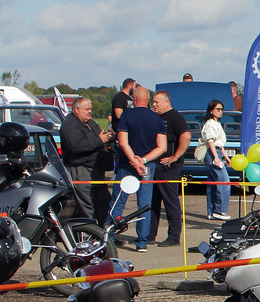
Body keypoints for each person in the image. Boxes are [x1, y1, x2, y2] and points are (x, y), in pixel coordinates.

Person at [112, 87, 168, 251]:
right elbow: (162, 147)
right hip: (147, 166)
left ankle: (108, 236)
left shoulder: (127, 115)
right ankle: (142, 242)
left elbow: (123, 142)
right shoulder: (157, 119)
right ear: (148, 100)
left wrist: (133, 160)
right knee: (144, 204)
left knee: (118, 202)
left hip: (126, 165)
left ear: (134, 99)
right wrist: (142, 160)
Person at [59, 97, 114, 226]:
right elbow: (77, 146)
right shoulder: (69, 125)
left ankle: (107, 232)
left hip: (97, 169)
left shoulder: (90, 123)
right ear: (76, 110)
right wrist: (100, 140)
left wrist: (110, 137)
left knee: (105, 202)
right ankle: (92, 235)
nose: (90, 112)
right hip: (81, 169)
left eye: (90, 109)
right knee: (87, 207)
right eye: (87, 109)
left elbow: (100, 136)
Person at [148, 91, 191, 247]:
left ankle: (174, 236)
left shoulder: (175, 117)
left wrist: (176, 157)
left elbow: (186, 136)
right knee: (153, 201)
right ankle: (150, 234)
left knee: (170, 200)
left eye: (157, 102)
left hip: (170, 166)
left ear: (166, 102)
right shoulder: (156, 118)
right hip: (156, 165)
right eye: (153, 102)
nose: (154, 105)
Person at [201, 100, 232, 220]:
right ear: (211, 111)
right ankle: (220, 210)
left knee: (213, 184)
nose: (220, 112)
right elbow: (211, 142)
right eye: (217, 109)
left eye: (222, 109)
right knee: (224, 182)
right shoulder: (210, 124)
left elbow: (220, 144)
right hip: (212, 153)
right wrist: (216, 157)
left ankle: (212, 211)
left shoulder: (217, 123)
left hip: (217, 151)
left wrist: (225, 156)